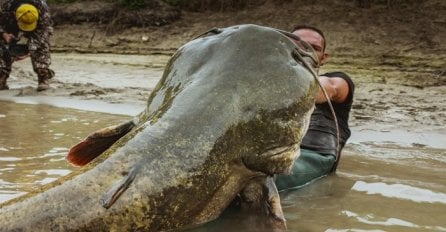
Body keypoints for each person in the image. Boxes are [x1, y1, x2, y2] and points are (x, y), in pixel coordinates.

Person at [275, 25, 355, 190]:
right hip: (272, 155)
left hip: (314, 156)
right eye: (297, 45)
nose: (304, 52)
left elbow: (327, 88)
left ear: (323, 57)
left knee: (254, 180)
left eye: (313, 48)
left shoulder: (338, 81)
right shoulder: (269, 83)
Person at [0, 0, 54, 91]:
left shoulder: (42, 8)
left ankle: (43, 77)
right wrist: (3, 34)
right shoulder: (4, 5)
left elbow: (44, 31)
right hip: (9, 23)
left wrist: (29, 51)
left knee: (41, 46)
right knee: (2, 45)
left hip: (37, 26)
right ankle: (1, 76)